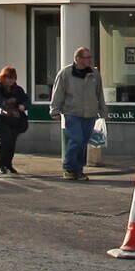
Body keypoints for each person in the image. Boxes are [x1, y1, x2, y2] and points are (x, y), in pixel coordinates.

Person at [46, 46, 107, 180]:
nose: (90, 60)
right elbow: (58, 93)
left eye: (90, 57)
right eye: (87, 57)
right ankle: (69, 168)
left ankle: (78, 170)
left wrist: (103, 110)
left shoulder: (94, 73)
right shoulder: (66, 73)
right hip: (72, 112)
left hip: (90, 113)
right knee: (76, 139)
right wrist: (54, 111)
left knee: (83, 141)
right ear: (78, 59)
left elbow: (99, 93)